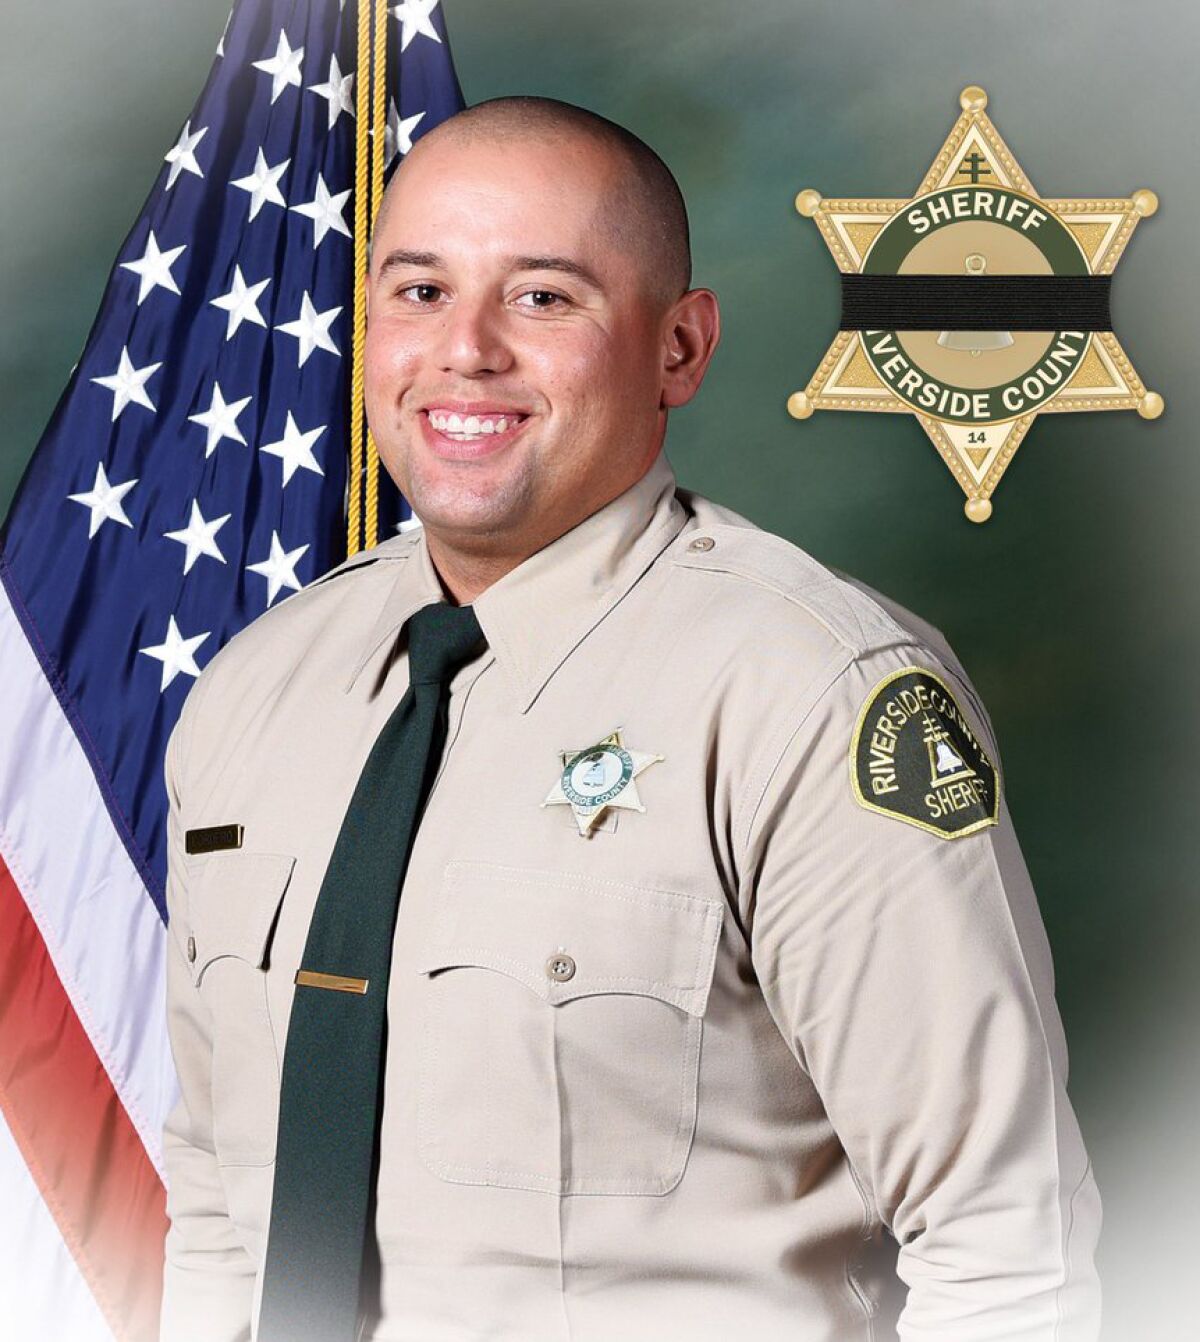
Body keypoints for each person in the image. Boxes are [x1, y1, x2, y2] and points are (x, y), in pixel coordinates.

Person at [159, 97, 1101, 1342]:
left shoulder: (813, 690)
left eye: (544, 298)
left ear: (680, 347)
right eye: (420, 290)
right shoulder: (251, 691)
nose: (467, 351)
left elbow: (1005, 1244)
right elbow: (223, 1213)